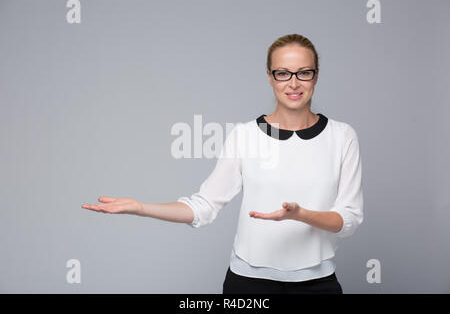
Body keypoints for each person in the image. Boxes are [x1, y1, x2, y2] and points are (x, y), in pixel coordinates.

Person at [81, 34, 363, 294]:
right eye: (282, 73)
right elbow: (204, 206)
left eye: (303, 73)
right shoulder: (244, 135)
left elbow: (348, 220)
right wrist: (141, 208)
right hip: (248, 284)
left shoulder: (341, 136)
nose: (293, 83)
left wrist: (300, 214)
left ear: (315, 76)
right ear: (269, 77)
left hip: (316, 283)